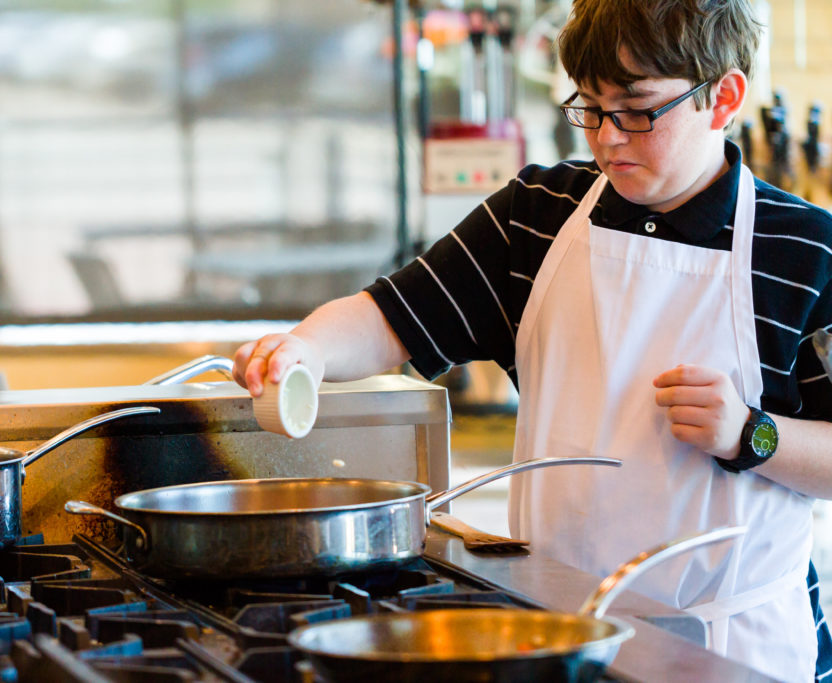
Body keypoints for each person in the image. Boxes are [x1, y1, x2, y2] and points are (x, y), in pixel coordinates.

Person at [233, 1, 832, 680]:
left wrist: (750, 434)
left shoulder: (806, 252)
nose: (608, 138)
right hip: (553, 631)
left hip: (733, 650)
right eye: (591, 106)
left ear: (722, 96)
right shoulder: (537, 216)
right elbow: (391, 317)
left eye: (637, 110)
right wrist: (306, 348)